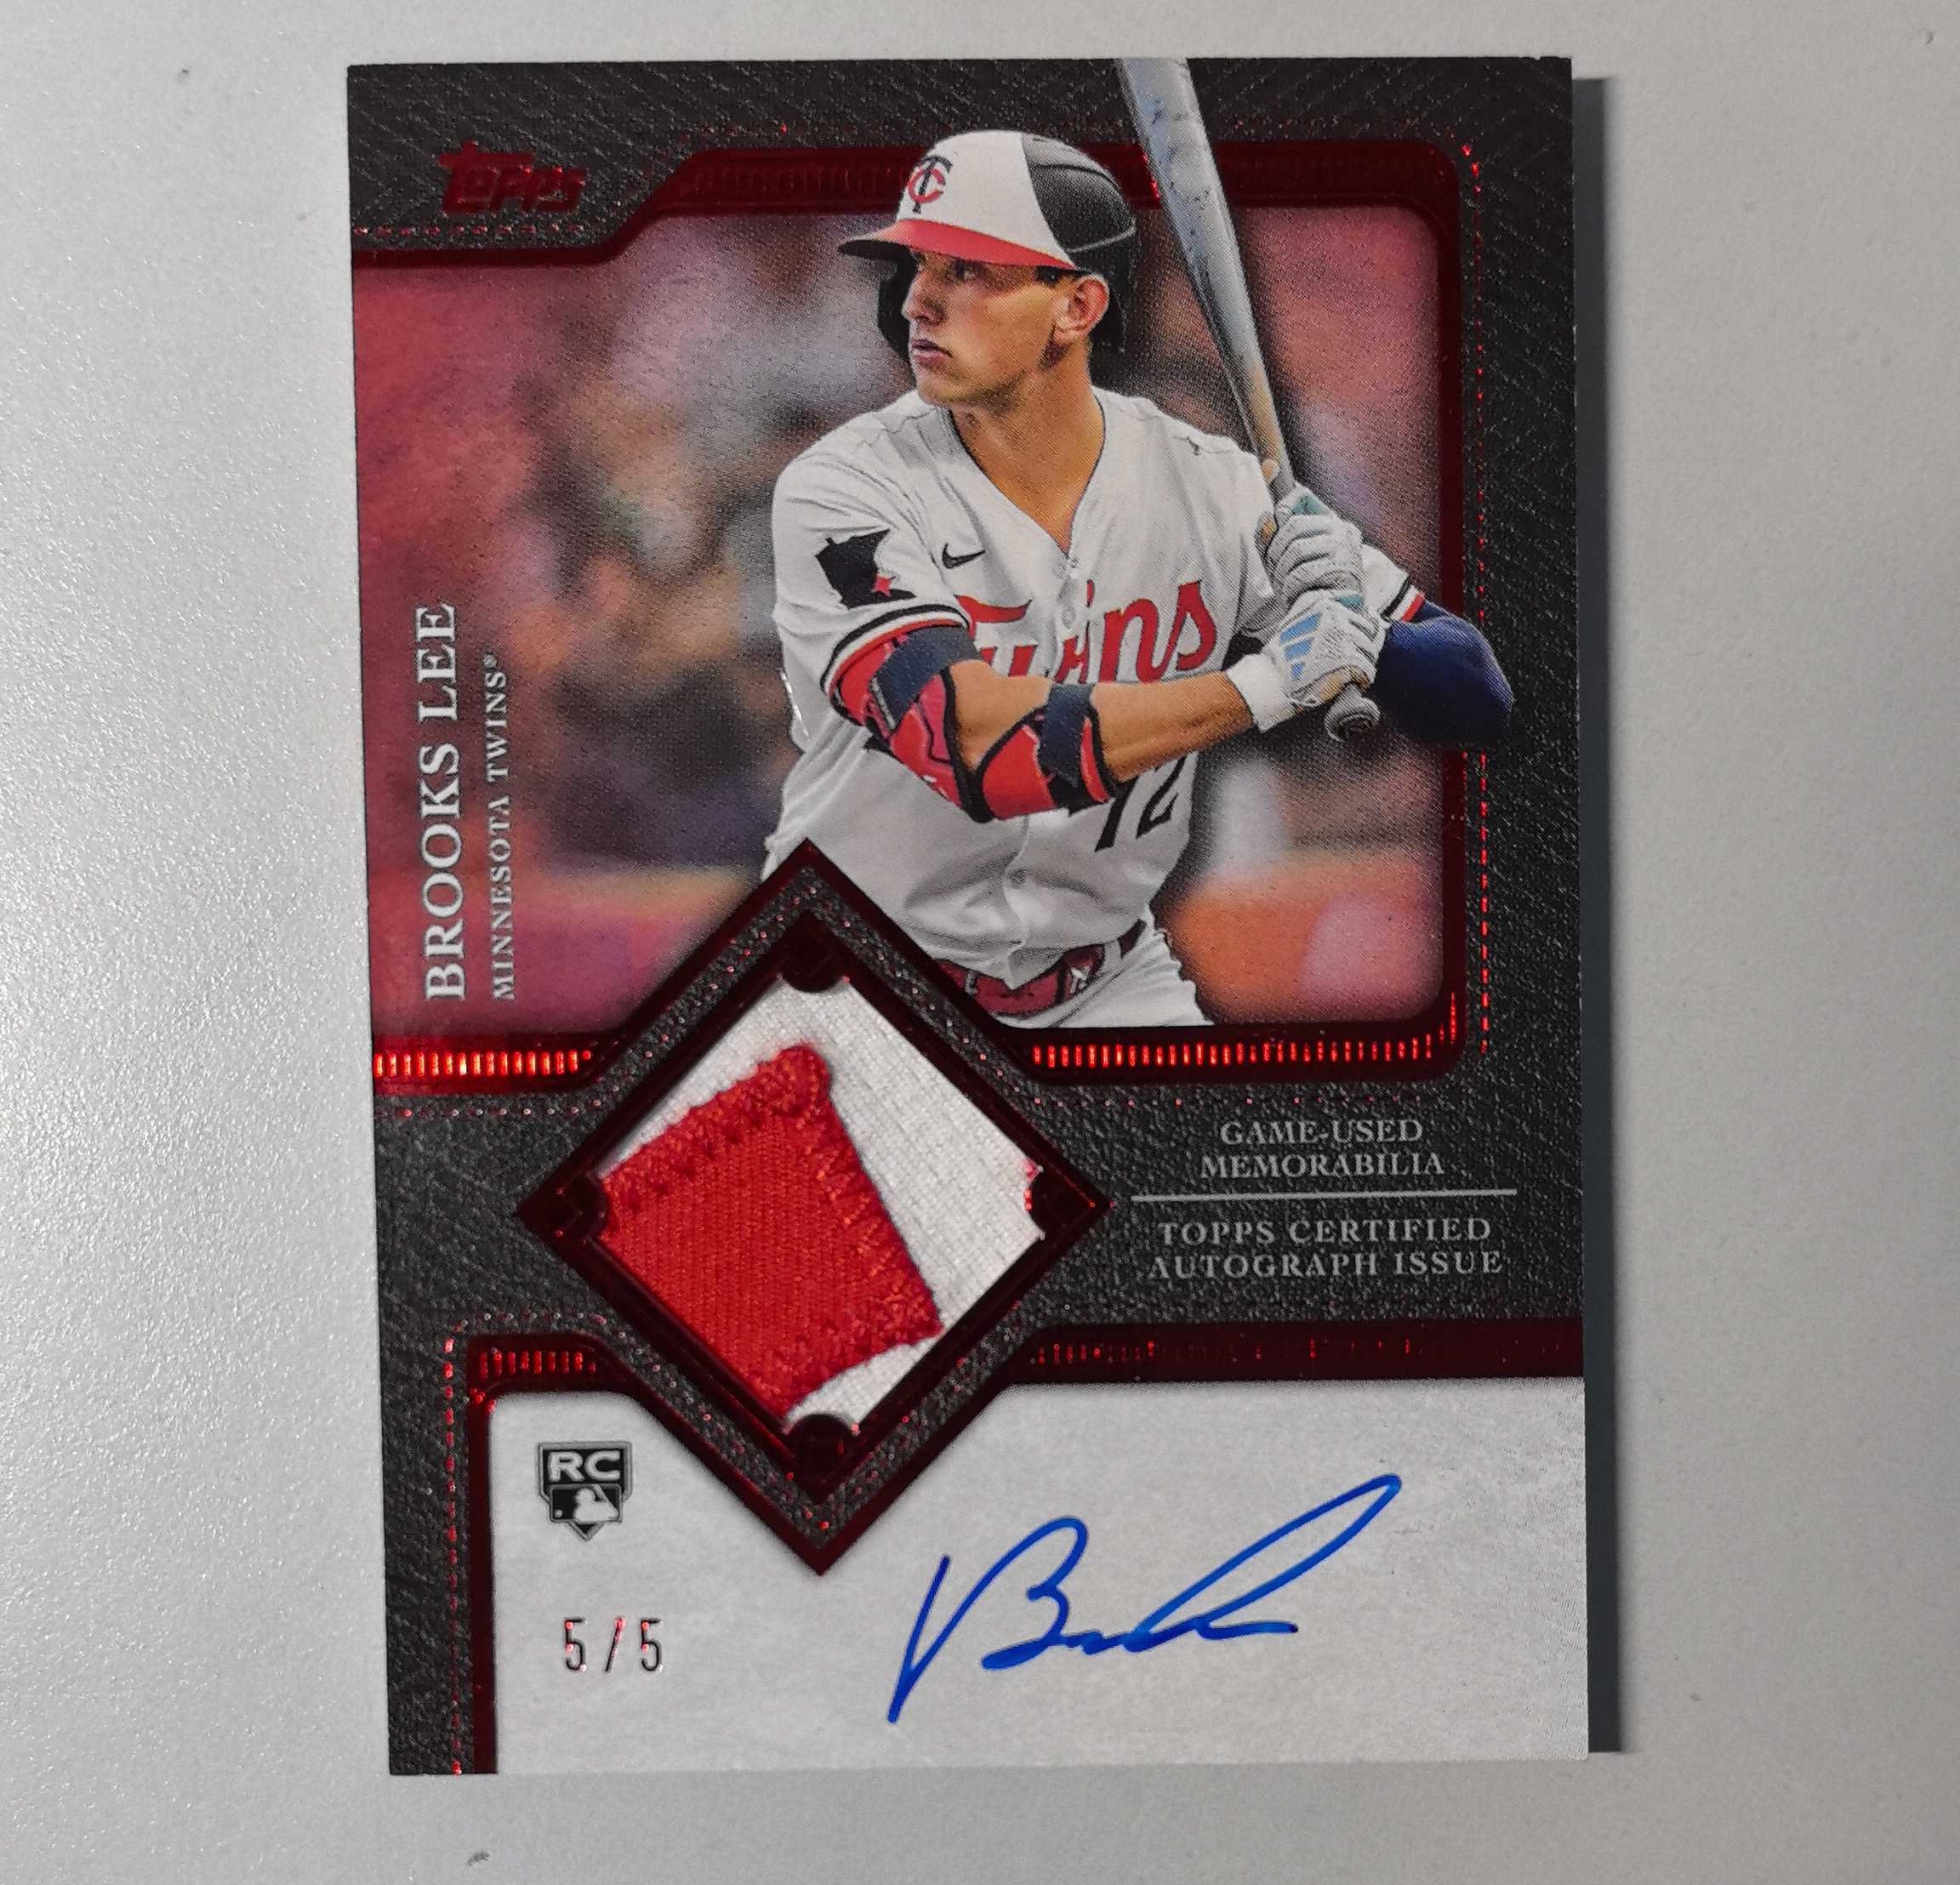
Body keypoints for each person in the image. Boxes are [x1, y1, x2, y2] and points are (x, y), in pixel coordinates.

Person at [762, 131, 1510, 1027]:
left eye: (967, 271)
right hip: (857, 979)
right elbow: (973, 746)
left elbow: (1477, 697)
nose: (917, 300)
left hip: (1103, 982)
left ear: (1077, 306)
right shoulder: (844, 489)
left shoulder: (1213, 484)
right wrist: (1268, 683)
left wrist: (1363, 629)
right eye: (918, 266)